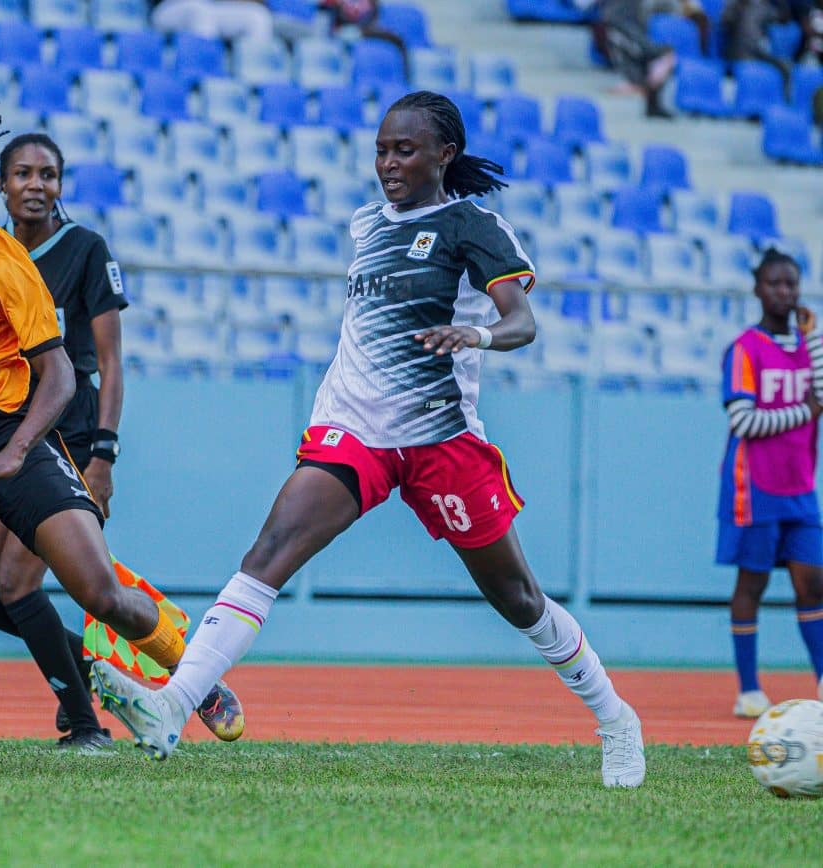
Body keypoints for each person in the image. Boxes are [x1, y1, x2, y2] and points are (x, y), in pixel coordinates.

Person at [89, 90, 647, 789]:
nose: (388, 163)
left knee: (519, 599)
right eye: (382, 150)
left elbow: (522, 322)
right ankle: (172, 706)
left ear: (444, 154)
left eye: (404, 150)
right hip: (353, 428)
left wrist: (474, 334)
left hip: (441, 437)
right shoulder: (367, 224)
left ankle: (616, 720)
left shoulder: (472, 225)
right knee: (268, 554)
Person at [0, 97, 224, 775]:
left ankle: (195, 675)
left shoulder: (7, 264)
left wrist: (17, 450)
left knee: (99, 592)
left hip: (12, 433)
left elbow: (59, 375)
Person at [0, 132, 243, 750]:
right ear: (1, 186)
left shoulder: (85, 249)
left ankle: (135, 700)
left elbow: (111, 363)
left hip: (68, 436)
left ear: (60, 185)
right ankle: (98, 680)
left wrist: (104, 454)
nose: (35, 185)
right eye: (22, 174)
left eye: (47, 174)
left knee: (19, 585)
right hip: (9, 434)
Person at [716, 248, 823, 718]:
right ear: (757, 289)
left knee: (813, 582)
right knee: (752, 582)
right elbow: (743, 420)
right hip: (753, 488)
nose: (784, 291)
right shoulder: (745, 348)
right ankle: (749, 689)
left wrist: (813, 338)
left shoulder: (809, 345)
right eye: (775, 283)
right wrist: (805, 412)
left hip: (800, 487)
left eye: (791, 283)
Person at [593, 0, 677, 118]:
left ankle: (651, 100)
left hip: (634, 29)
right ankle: (644, 90)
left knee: (665, 55)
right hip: (617, 27)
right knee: (659, 56)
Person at [149, 0, 275, 41]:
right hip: (166, 8)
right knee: (200, 11)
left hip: (211, 6)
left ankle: (261, 78)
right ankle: (205, 67)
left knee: (258, 16)